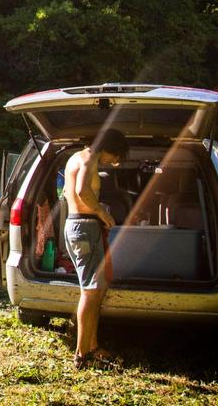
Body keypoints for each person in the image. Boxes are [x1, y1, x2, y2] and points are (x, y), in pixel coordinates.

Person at [62, 127, 129, 369]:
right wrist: (102, 212)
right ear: (109, 148)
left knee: (95, 289)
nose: (115, 161)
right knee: (90, 292)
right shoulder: (90, 158)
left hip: (77, 224)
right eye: (116, 156)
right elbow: (82, 190)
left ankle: (92, 346)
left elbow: (67, 192)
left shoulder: (75, 157)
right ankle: (82, 355)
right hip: (84, 227)